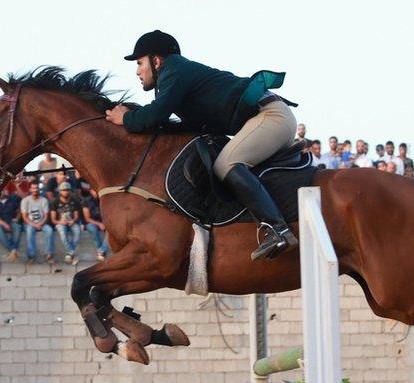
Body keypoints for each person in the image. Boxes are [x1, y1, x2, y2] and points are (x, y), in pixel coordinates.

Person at [107, 30, 297, 260]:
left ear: (156, 60)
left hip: (271, 117)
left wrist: (125, 118)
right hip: (266, 120)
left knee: (226, 164)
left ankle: (278, 230)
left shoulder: (174, 68)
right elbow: (174, 124)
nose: (137, 71)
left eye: (139, 63)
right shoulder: (176, 75)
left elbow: (156, 115)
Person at [20, 182, 54, 263]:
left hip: (42, 223)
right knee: (29, 231)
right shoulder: (25, 200)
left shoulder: (44, 200)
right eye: (33, 188)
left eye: (37, 188)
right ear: (30, 189)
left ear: (39, 189)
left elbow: (46, 216)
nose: (35, 190)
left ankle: (49, 254)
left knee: (49, 230)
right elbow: (24, 217)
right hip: (30, 223)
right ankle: (31, 256)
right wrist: (34, 225)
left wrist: (40, 224)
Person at [0, 186, 22, 261]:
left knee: (17, 227)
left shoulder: (12, 198)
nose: (4, 192)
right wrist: (4, 224)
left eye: (4, 190)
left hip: (10, 221)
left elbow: (19, 209)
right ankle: (12, 249)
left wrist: (17, 218)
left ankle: (13, 251)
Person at [50, 182, 82, 264]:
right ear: (60, 191)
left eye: (67, 190)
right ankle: (72, 253)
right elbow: (53, 219)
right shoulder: (55, 202)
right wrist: (60, 222)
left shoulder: (74, 200)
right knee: (63, 234)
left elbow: (76, 216)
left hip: (71, 222)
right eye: (64, 190)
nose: (66, 192)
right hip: (60, 222)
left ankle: (69, 254)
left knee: (78, 231)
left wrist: (73, 221)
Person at [82, 186, 109, 261]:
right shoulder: (86, 201)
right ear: (90, 191)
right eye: (94, 190)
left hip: (103, 222)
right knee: (92, 228)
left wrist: (105, 223)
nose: (96, 192)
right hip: (91, 223)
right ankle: (100, 250)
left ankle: (101, 250)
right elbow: (87, 218)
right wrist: (99, 224)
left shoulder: (103, 200)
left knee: (110, 231)